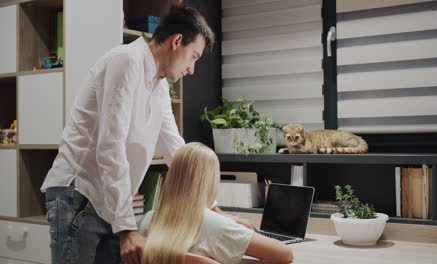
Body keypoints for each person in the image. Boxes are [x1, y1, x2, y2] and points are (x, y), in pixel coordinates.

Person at [40, 5, 253, 264]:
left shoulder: (159, 85)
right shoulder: (126, 61)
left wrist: (216, 210)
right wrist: (128, 229)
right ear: (177, 41)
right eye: (193, 57)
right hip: (80, 195)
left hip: (111, 204)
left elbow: (178, 151)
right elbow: (110, 148)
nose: (192, 69)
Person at [139, 142, 294, 264]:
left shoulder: (146, 220)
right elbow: (284, 254)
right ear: (210, 181)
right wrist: (245, 233)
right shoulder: (216, 225)